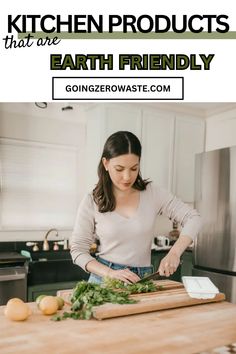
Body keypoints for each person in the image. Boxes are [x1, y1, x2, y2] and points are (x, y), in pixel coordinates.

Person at [70, 131, 201, 284]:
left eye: (134, 168)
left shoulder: (152, 193)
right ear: (106, 164)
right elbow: (78, 250)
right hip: (104, 279)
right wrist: (110, 273)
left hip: (142, 280)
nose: (127, 177)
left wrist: (174, 252)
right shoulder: (92, 200)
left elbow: (194, 218)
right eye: (119, 169)